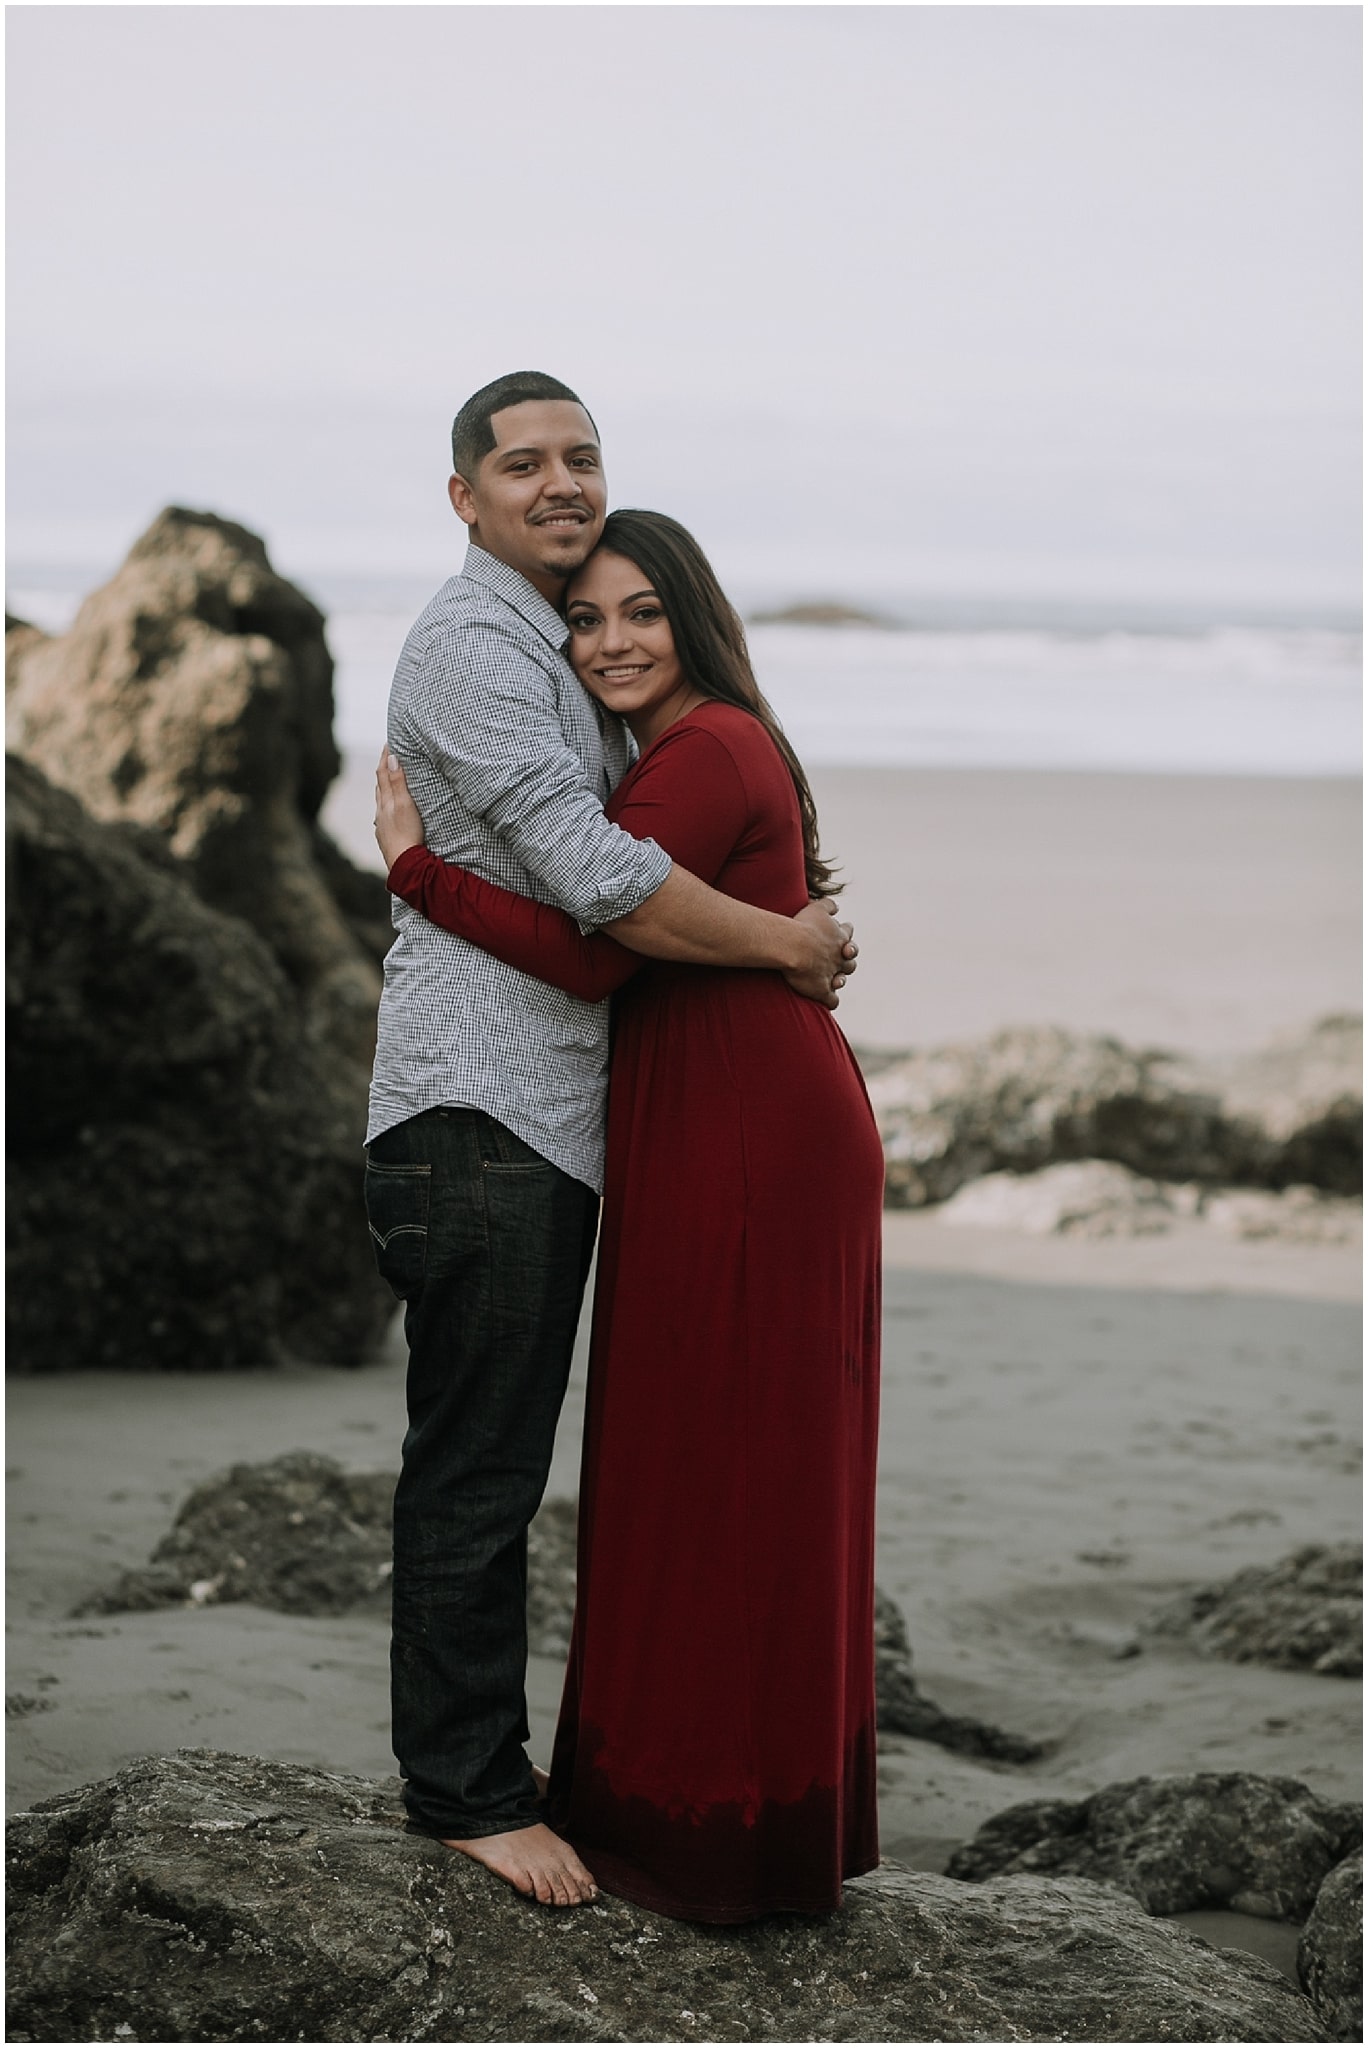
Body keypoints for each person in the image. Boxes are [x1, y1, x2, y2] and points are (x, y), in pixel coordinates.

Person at [366, 373, 856, 1911]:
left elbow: (620, 897)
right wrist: (783, 947)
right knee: (481, 1467)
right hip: (479, 1113)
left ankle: (536, 1775)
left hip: (553, 1123)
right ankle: (464, 1792)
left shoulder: (561, 649)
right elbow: (599, 891)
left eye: (582, 455)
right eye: (524, 462)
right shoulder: (471, 646)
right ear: (466, 496)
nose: (560, 480)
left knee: (513, 1459)